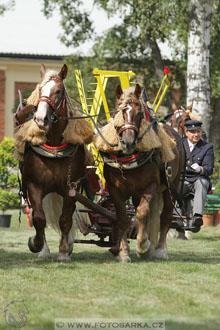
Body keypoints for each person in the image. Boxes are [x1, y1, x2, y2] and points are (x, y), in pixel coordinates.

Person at [172, 119, 215, 232]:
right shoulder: (178, 144)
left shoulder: (207, 147)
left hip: (197, 179)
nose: (196, 134)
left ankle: (197, 216)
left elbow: (209, 169)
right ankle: (176, 217)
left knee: (203, 182)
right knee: (173, 184)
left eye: (198, 131)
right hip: (182, 179)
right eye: (193, 132)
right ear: (186, 132)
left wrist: (200, 169)